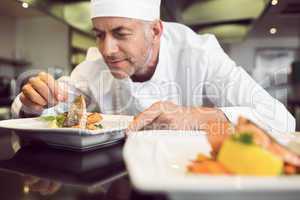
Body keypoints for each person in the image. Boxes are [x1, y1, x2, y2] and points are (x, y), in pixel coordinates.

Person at [11, 0, 295, 135]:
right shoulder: (94, 66)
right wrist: (34, 103)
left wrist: (195, 116)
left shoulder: (200, 53)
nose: (106, 49)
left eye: (121, 33)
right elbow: (51, 110)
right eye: (99, 34)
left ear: (156, 31)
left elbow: (282, 120)